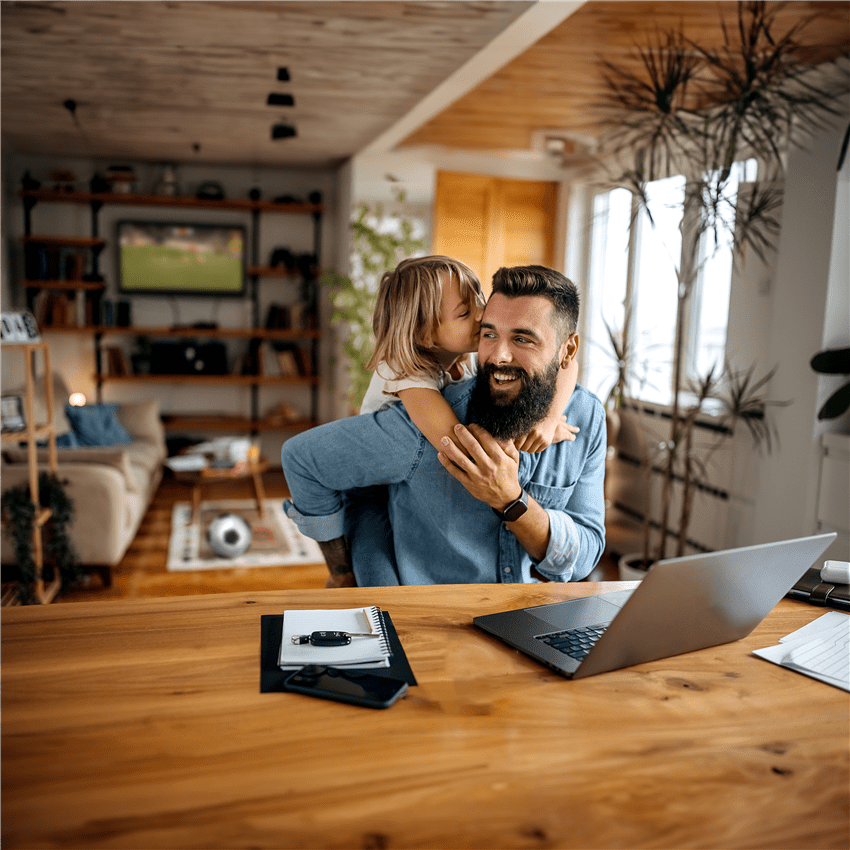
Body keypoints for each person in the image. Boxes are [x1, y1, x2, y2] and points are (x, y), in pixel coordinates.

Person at [282, 264, 607, 587]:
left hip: (524, 617)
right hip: (375, 515)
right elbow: (460, 445)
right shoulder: (417, 400)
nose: (498, 356)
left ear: (567, 348)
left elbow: (584, 557)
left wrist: (548, 419)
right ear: (426, 333)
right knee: (375, 581)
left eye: (522, 339)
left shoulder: (585, 417)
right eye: (488, 333)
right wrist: (340, 572)